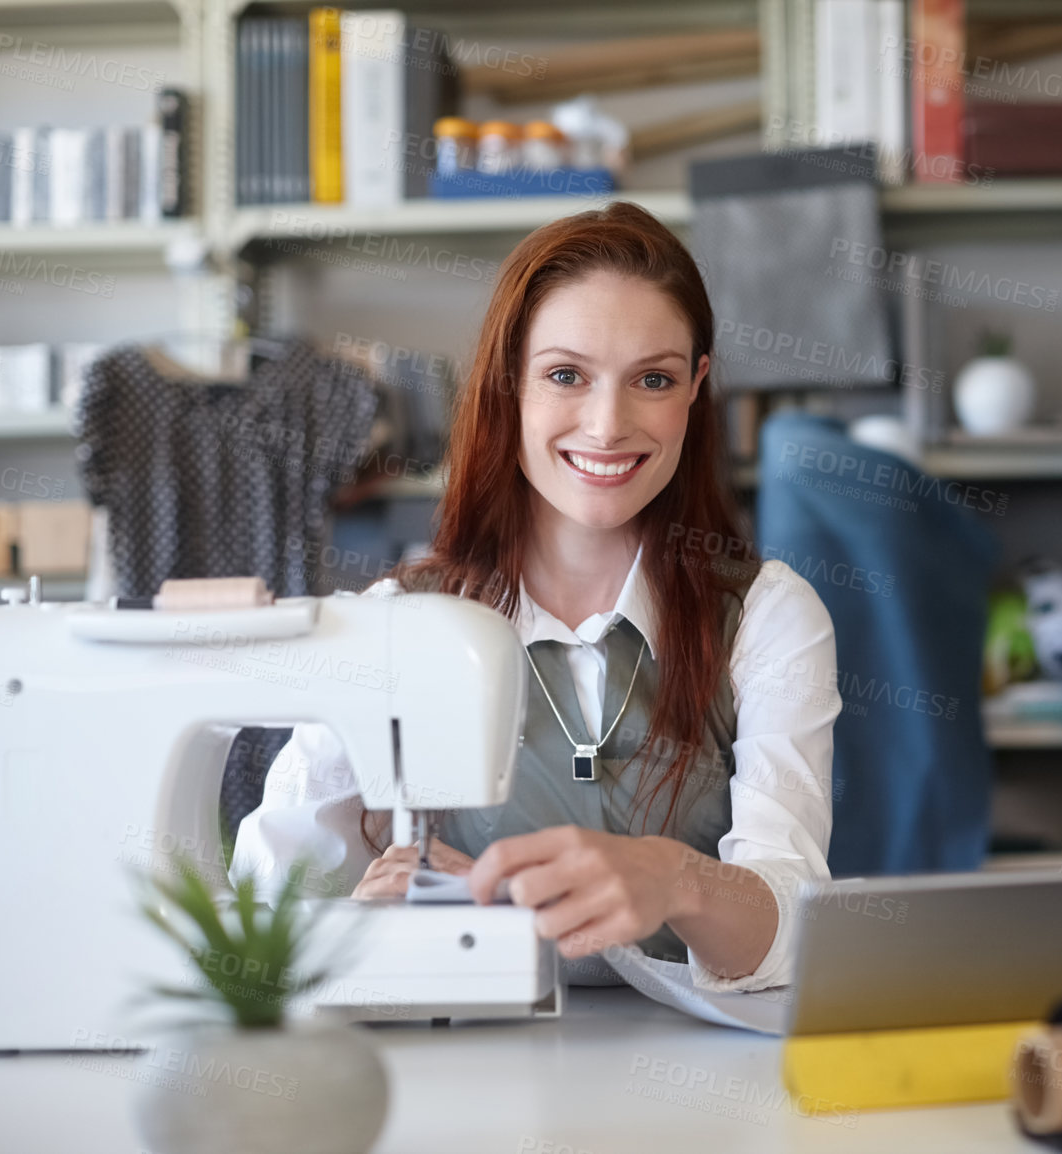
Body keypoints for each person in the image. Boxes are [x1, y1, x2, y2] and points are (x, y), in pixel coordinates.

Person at [231, 203, 839, 989]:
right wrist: (359, 926)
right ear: (509, 380)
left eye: (652, 379)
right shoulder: (391, 622)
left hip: (698, 1081)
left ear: (696, 386)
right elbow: (261, 911)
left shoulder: (769, 616)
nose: (607, 423)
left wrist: (675, 878)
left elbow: (791, 929)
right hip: (475, 1071)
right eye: (565, 375)